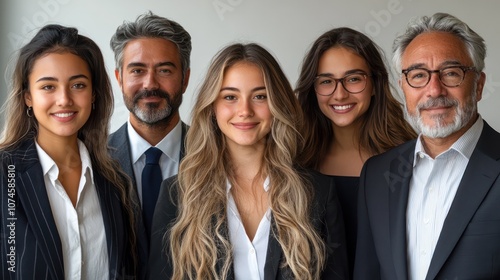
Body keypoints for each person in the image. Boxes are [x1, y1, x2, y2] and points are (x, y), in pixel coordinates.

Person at [148, 43, 348, 279]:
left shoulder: (317, 192)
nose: (245, 110)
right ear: (213, 106)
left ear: (277, 105)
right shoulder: (177, 195)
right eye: (230, 96)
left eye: (260, 96)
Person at [354, 12, 500, 280]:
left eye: (451, 73)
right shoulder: (376, 174)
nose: (434, 90)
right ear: (403, 88)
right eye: (418, 75)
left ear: (478, 85)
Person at [0, 24, 136, 279]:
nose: (64, 99)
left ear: (94, 94)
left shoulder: (115, 180)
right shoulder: (4, 174)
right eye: (48, 87)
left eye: (78, 85)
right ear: (28, 96)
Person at [295, 27, 416, 275]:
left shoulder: (411, 159)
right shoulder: (294, 160)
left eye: (353, 79)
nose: (340, 94)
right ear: (313, 89)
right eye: (326, 81)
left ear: (374, 84)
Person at [108, 11, 191, 276]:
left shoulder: (218, 155)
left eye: (164, 70)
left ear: (185, 79)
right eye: (137, 70)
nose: (150, 84)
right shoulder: (91, 159)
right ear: (120, 78)